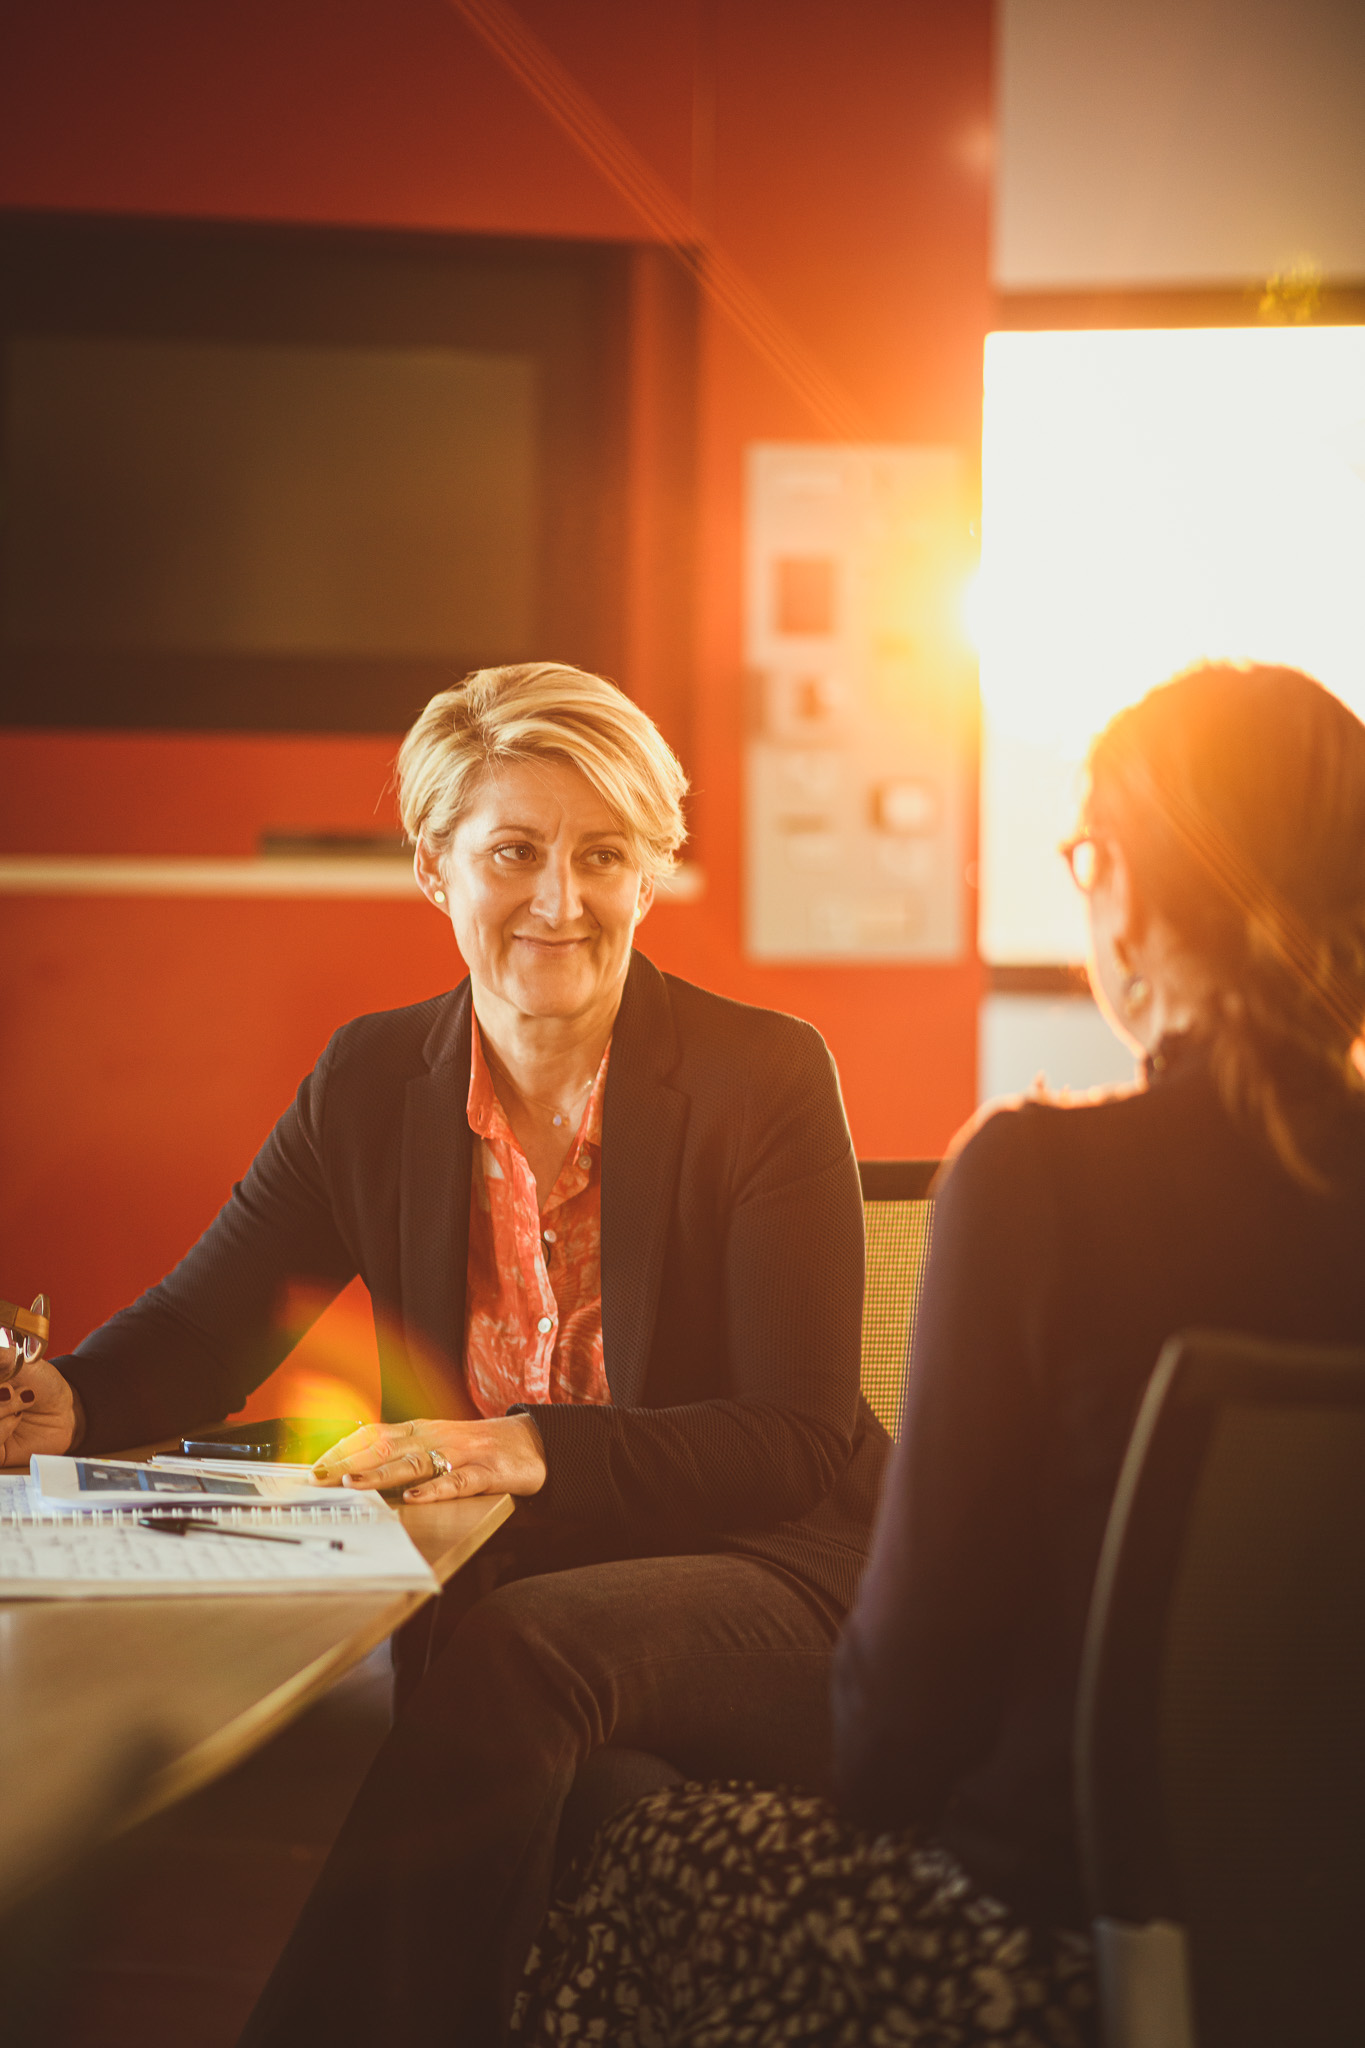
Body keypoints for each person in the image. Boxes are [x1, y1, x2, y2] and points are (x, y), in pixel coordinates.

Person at [0, 664, 883, 2046]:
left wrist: (521, 1443)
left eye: (604, 856)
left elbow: (790, 1437)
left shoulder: (760, 1075)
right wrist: (66, 1404)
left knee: (520, 1654)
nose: (559, 899)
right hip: (549, 1618)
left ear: (651, 872)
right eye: (514, 852)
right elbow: (204, 1324)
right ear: (433, 865)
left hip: (787, 1579)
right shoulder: (369, 1083)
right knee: (585, 1799)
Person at [511, 660, 1365, 2048]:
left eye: (1084, 853)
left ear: (1128, 896)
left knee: (623, 1829)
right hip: (1334, 1937)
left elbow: (899, 1728)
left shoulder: (1043, 1182)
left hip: (1044, 1943)